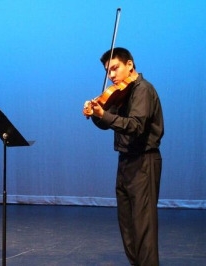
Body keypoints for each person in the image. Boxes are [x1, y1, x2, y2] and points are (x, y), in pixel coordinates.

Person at [83, 47, 164, 266]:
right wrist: (96, 113)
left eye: (115, 68)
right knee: (128, 228)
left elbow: (136, 126)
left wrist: (104, 115)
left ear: (130, 64)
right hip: (125, 162)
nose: (111, 75)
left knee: (143, 230)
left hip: (143, 162)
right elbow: (111, 123)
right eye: (108, 71)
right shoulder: (122, 94)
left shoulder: (143, 90)